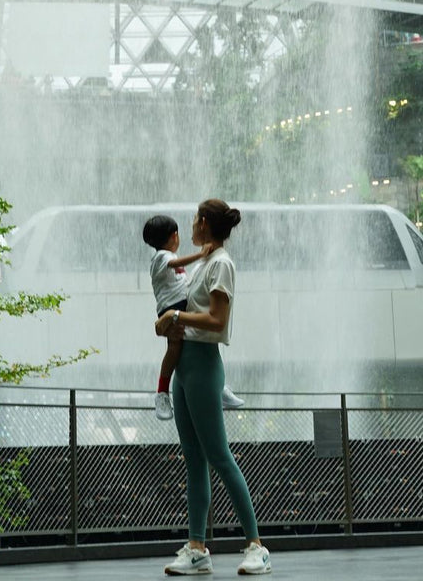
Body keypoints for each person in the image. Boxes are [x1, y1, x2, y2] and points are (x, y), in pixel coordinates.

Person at [155, 199, 271, 576]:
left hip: (203, 364)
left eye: (194, 219)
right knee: (194, 459)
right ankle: (196, 547)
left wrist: (174, 315)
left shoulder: (221, 264)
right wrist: (171, 321)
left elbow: (217, 320)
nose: (190, 224)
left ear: (204, 223)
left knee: (219, 456)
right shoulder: (207, 260)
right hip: (186, 366)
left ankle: (256, 546)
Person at [144, 214, 246, 421]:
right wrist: (199, 255)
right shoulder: (162, 257)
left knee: (204, 336)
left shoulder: (174, 258)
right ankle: (162, 393)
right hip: (171, 308)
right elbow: (176, 264)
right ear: (174, 236)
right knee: (174, 348)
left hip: (181, 305)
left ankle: (217, 387)